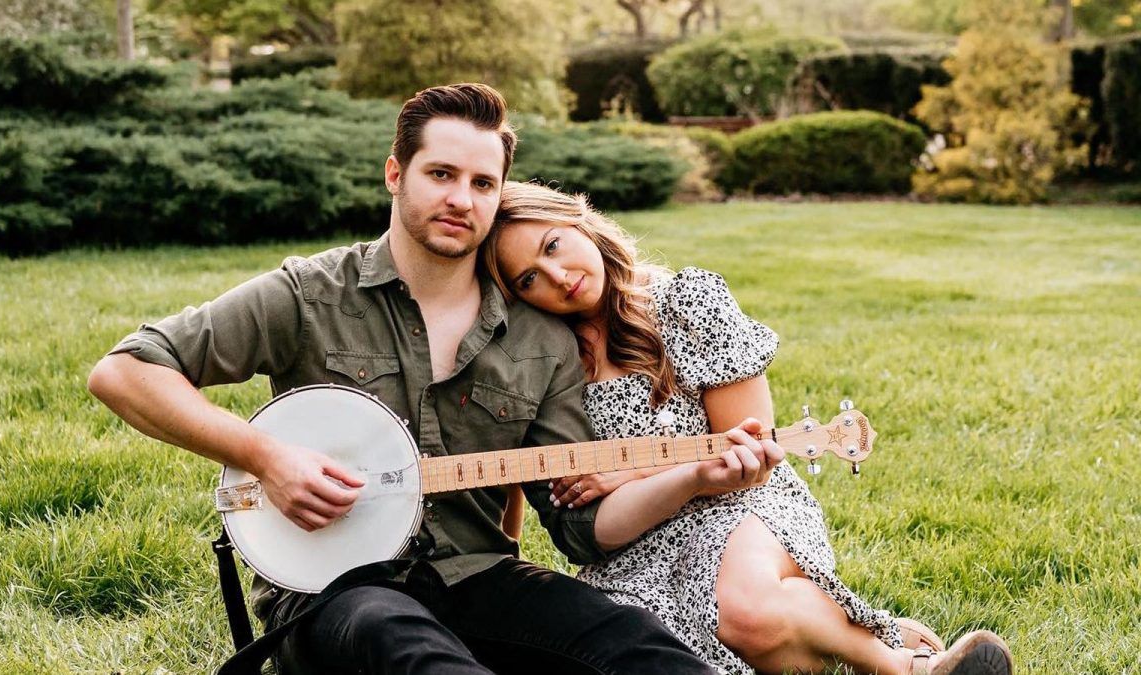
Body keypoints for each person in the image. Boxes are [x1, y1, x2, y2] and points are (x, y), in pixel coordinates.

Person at [87, 84, 728, 674]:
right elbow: (125, 370)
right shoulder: (311, 295)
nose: (461, 199)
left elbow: (576, 530)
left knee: (633, 642)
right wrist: (266, 457)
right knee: (407, 648)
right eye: (441, 174)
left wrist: (682, 474)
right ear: (396, 174)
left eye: (482, 183)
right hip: (336, 593)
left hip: (479, 578)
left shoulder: (540, 340)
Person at [483, 180, 1014, 675]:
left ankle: (905, 665)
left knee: (742, 613)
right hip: (639, 542)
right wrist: (674, 478)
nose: (558, 277)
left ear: (578, 219)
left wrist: (631, 471)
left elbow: (751, 453)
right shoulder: (544, 367)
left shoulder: (687, 302)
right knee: (642, 649)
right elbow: (594, 527)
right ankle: (860, 631)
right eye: (529, 279)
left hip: (741, 507)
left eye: (553, 246)